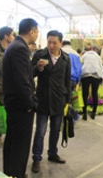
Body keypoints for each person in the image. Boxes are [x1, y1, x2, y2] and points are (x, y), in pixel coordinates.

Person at [2, 18, 39, 178]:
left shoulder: (14, 46)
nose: (37, 35)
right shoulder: (20, 49)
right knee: (20, 145)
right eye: (37, 32)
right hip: (20, 106)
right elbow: (22, 81)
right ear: (31, 32)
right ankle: (17, 174)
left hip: (13, 103)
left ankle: (10, 173)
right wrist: (29, 104)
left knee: (12, 141)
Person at [30, 30, 71, 173]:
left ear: (61, 43)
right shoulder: (40, 55)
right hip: (43, 99)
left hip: (59, 99)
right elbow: (30, 73)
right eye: (49, 42)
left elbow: (67, 80)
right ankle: (36, 158)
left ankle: (53, 153)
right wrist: (38, 68)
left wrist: (68, 100)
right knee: (40, 131)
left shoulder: (65, 58)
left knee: (55, 130)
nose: (51, 45)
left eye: (54, 43)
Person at [80, 45, 103, 120]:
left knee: (85, 94)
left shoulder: (84, 56)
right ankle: (93, 112)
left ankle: (84, 114)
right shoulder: (98, 57)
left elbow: (81, 65)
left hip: (85, 76)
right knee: (94, 93)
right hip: (96, 76)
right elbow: (101, 67)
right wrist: (101, 78)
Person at [61, 40, 82, 122]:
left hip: (63, 79)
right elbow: (79, 70)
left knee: (62, 99)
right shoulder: (76, 54)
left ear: (62, 44)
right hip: (73, 79)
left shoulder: (61, 52)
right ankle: (69, 117)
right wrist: (78, 82)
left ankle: (74, 115)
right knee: (68, 99)